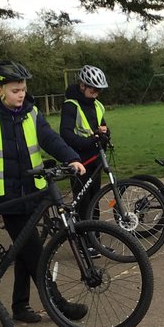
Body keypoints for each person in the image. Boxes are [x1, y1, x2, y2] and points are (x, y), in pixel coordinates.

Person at [0, 61, 87, 323]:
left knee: (24, 249)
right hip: (6, 198)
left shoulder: (32, 113)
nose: (21, 94)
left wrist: (72, 158)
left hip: (33, 194)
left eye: (23, 89)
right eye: (15, 90)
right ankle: (59, 305)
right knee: (35, 252)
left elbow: (50, 139)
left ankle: (20, 306)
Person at [59, 64, 110, 219]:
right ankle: (82, 231)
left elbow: (102, 126)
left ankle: (95, 230)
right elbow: (66, 134)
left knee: (95, 200)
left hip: (95, 158)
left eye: (99, 90)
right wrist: (90, 140)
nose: (96, 94)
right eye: (93, 90)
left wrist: (106, 133)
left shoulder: (97, 105)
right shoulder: (71, 106)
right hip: (79, 159)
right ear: (82, 86)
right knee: (83, 202)